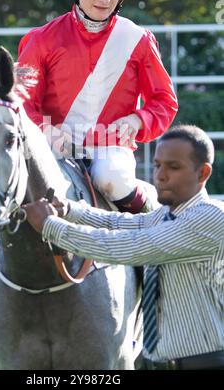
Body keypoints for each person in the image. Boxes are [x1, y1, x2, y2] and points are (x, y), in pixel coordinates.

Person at [24, 125, 224, 370]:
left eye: (173, 167)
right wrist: (68, 209)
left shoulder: (211, 218)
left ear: (202, 173)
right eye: (158, 164)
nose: (160, 175)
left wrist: (49, 225)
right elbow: (120, 222)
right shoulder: (166, 215)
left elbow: (128, 246)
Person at [16, 0, 178, 214]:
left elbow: (164, 100)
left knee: (111, 179)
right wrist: (44, 129)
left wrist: (138, 120)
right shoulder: (40, 40)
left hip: (110, 148)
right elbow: (21, 102)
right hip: (51, 145)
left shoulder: (137, 40)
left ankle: (155, 225)